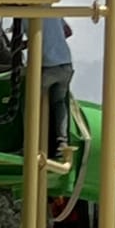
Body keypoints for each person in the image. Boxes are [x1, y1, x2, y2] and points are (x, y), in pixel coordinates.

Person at [41, 17, 74, 162]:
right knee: (59, 102)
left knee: (30, 101)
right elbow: (68, 31)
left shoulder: (24, 16)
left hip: (47, 65)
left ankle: (30, 143)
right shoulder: (53, 12)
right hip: (66, 63)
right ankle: (62, 142)